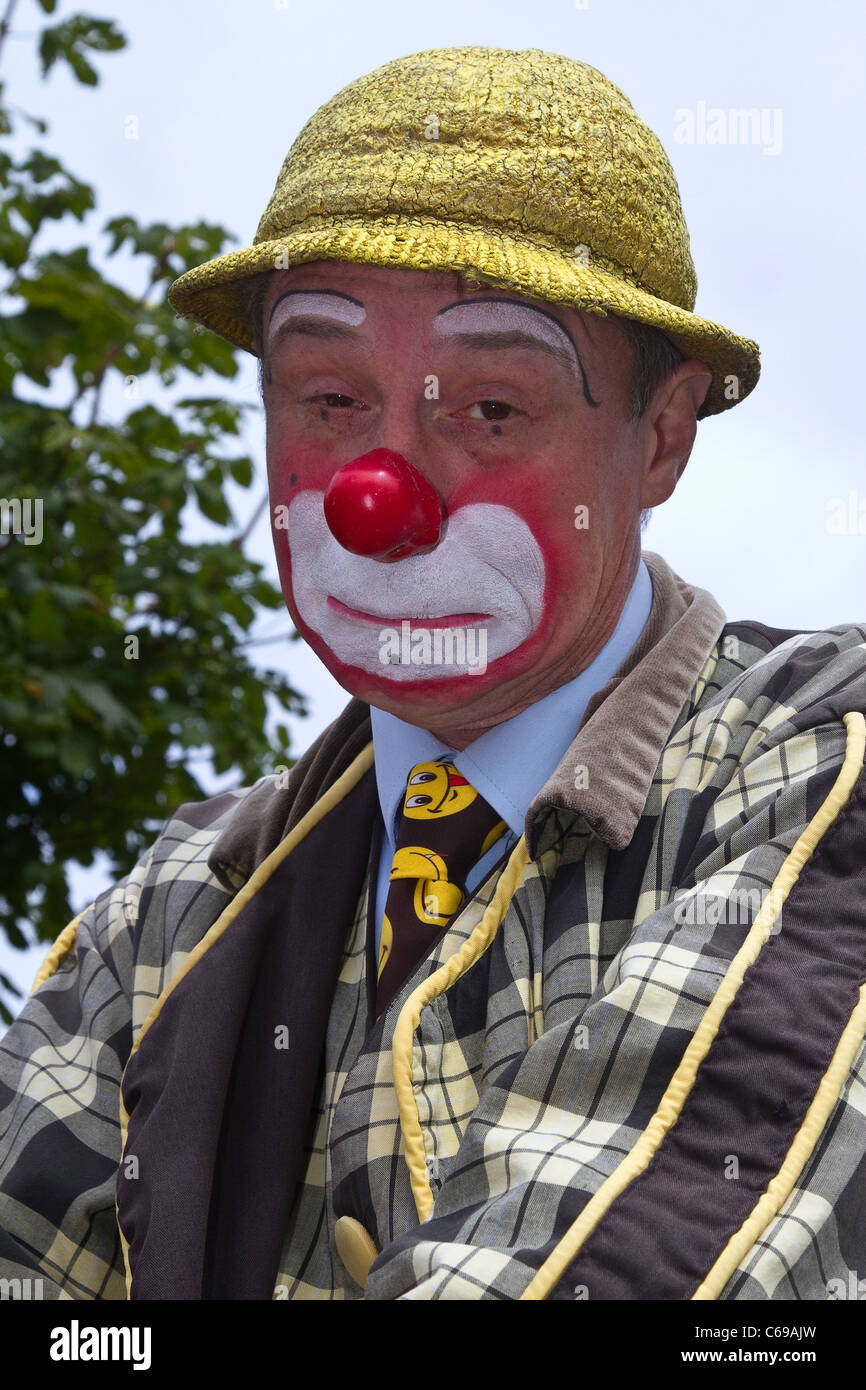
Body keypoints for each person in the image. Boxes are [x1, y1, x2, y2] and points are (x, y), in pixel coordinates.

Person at [1, 45, 865, 1303]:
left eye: (491, 408)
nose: (376, 498)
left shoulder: (814, 764)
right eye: (328, 398)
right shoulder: (163, 920)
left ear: (662, 435)